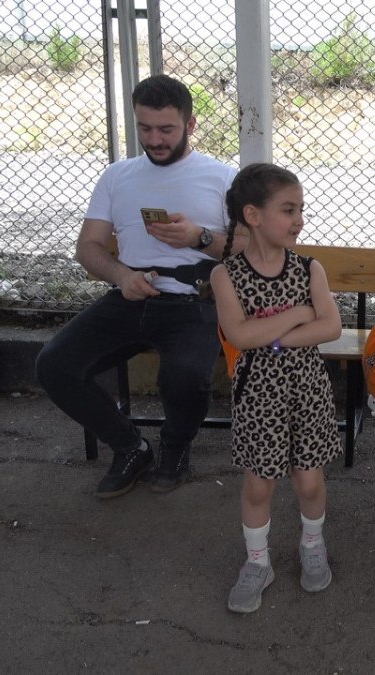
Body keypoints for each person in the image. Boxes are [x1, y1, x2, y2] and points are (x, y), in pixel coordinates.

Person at [36, 75, 241, 498]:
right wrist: (121, 276)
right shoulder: (118, 176)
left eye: (166, 129)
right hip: (129, 295)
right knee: (54, 365)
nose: (155, 139)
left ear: (191, 124)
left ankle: (175, 448)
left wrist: (200, 237)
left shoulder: (223, 177)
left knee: (184, 374)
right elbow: (88, 247)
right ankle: (130, 447)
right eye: (145, 128)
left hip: (195, 300)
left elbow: (251, 250)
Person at [210, 163, 345, 613]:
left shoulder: (309, 268)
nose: (299, 220)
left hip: (309, 390)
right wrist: (297, 315)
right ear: (252, 215)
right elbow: (239, 335)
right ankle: (257, 563)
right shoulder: (226, 275)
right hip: (258, 395)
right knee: (260, 484)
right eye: (288, 210)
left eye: (301, 209)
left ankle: (312, 544)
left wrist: (271, 336)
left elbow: (330, 326)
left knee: (309, 480)